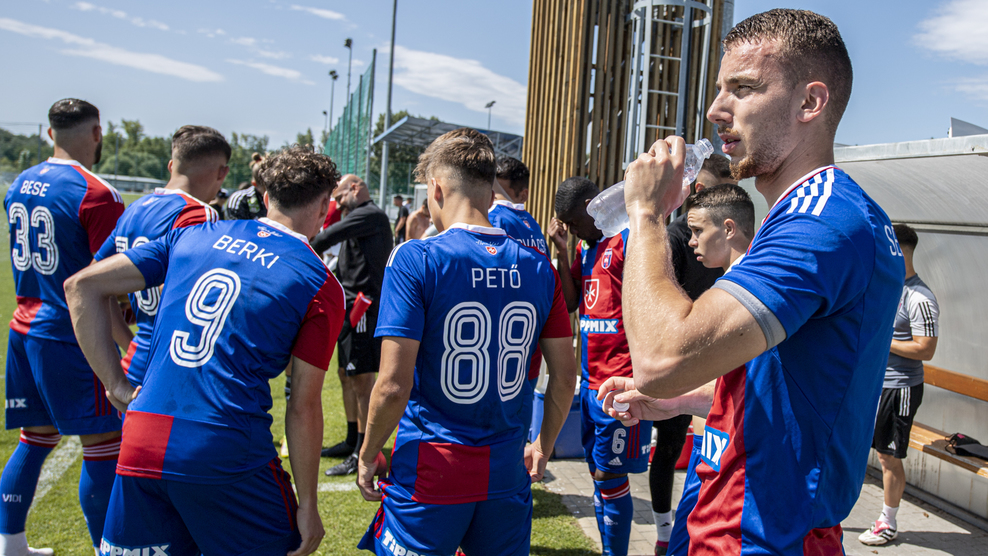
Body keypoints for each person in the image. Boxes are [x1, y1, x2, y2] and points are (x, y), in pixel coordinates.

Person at [600, 9, 905, 555]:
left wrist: (646, 215)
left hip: (762, 533)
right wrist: (687, 399)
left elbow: (660, 358)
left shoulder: (822, 221)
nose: (716, 110)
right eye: (721, 89)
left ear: (810, 103)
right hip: (736, 517)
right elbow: (790, 385)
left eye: (742, 89)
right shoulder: (807, 215)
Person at [65, 146, 346, 556]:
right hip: (225, 447)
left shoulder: (193, 234)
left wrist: (116, 385)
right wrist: (309, 504)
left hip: (142, 436)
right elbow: (303, 406)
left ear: (266, 195)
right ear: (324, 206)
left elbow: (81, 286)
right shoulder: (319, 282)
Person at [355, 128, 578, 556]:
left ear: (436, 188)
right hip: (506, 469)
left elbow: (393, 385)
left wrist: (367, 454)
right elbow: (565, 376)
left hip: (432, 469)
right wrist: (543, 446)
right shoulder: (538, 267)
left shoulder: (416, 257)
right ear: (491, 194)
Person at [1, 98, 125, 555]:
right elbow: (109, 280)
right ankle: (106, 549)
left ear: (50, 133)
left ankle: (10, 545)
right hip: (71, 333)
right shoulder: (97, 193)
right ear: (97, 133)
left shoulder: (20, 182)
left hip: (24, 325)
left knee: (34, 438)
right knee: (103, 442)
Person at [548, 177, 651, 556]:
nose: (573, 230)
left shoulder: (629, 239)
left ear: (595, 205)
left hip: (620, 385)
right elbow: (571, 303)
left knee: (610, 475)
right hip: (591, 383)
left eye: (575, 222)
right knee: (597, 474)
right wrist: (563, 252)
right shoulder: (586, 248)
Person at [93, 125, 228, 389]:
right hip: (176, 364)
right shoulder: (200, 214)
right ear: (222, 172)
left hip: (136, 359)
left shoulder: (134, 209)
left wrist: (129, 343)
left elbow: (95, 282)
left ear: (171, 165)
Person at [660, 184, 755, 556]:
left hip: (732, 456)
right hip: (711, 446)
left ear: (728, 229)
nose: (691, 241)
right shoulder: (729, 282)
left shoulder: (748, 288)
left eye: (698, 230)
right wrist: (669, 400)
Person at [649, 153, 734, 555]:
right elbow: (664, 311)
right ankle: (665, 534)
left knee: (708, 451)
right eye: (723, 191)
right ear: (700, 191)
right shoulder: (675, 239)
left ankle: (697, 527)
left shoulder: (733, 241)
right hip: (684, 361)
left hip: (719, 363)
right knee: (669, 448)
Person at [859, 223, 939, 546]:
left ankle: (888, 523)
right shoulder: (888, 287)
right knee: (871, 451)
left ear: (899, 250)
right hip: (877, 384)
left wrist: (884, 341)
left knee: (888, 457)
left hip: (900, 388)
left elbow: (926, 349)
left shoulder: (920, 297)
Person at [311, 175, 393, 475]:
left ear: (356, 188)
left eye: (340, 196)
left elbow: (324, 238)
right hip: (349, 307)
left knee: (361, 380)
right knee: (346, 375)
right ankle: (350, 440)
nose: (337, 203)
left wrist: (300, 247)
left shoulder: (370, 214)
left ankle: (362, 450)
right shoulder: (359, 217)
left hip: (363, 309)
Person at [226, 152, 267, 220]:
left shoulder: (280, 200)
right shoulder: (240, 199)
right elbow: (235, 225)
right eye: (266, 188)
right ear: (254, 184)